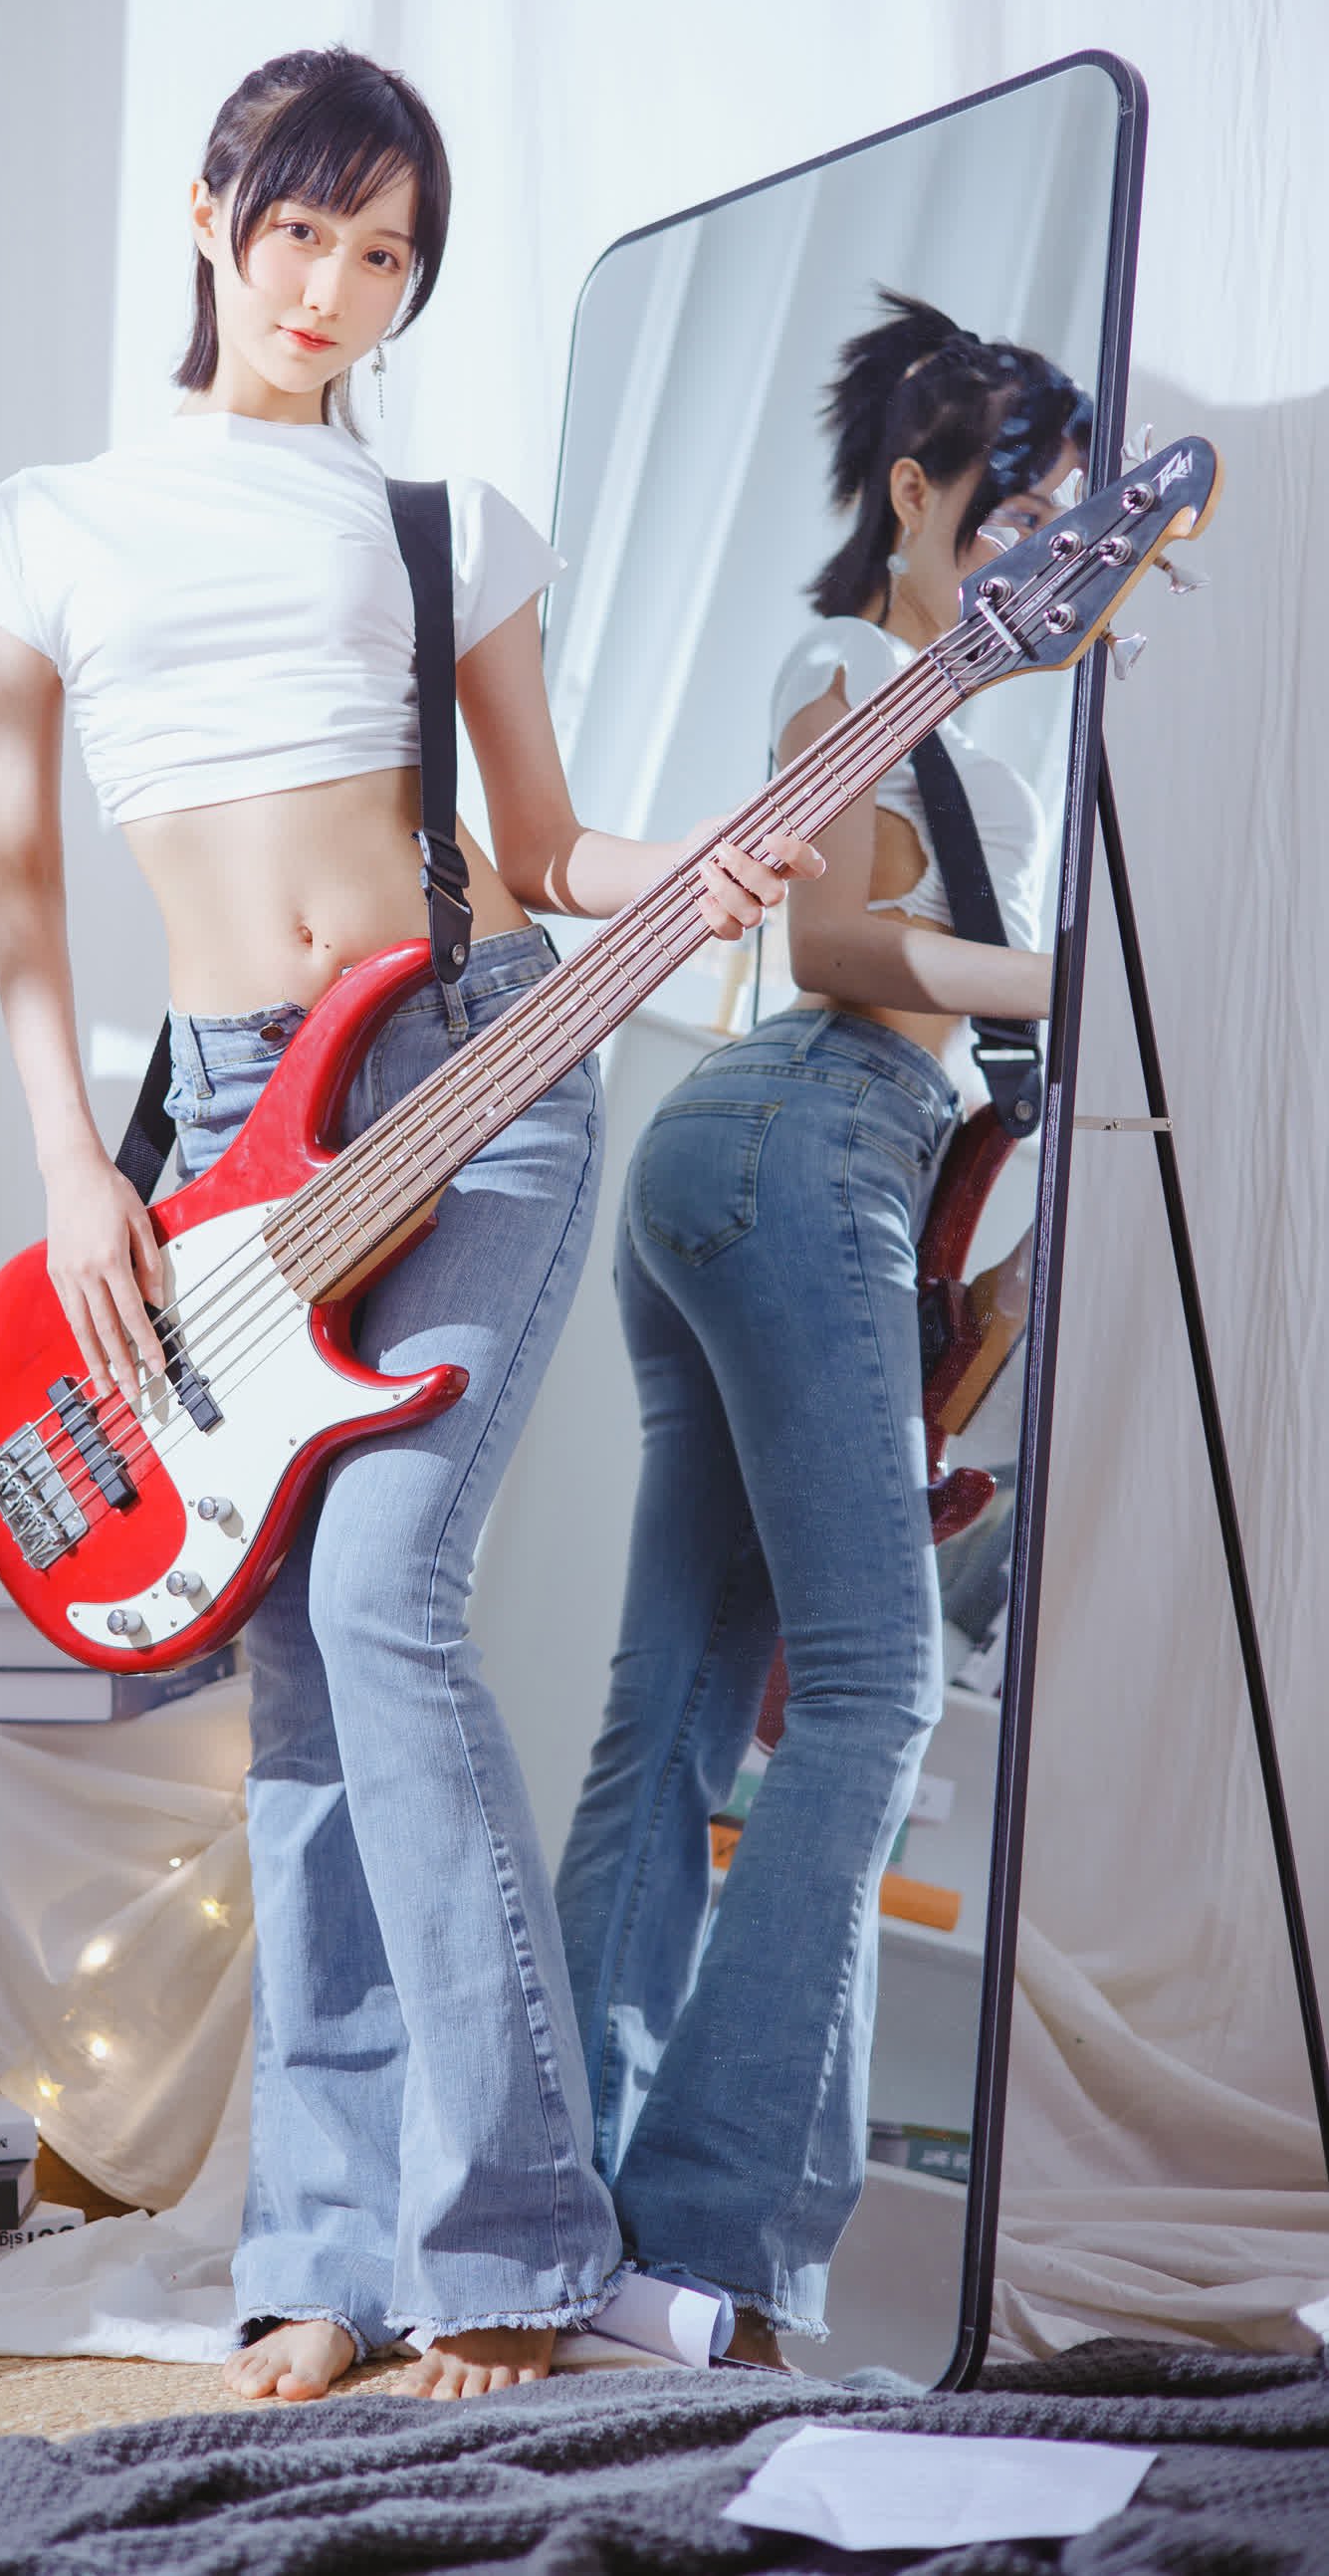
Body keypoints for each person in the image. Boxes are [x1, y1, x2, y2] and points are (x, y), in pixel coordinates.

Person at [0, 46, 820, 2403]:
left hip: (477, 1072)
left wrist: (695, 863)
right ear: (211, 212)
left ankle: (508, 2238)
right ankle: (321, 2250)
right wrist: (75, 1171)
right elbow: (18, 900)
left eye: (387, 253)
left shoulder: (442, 525)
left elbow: (543, 849)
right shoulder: (43, 530)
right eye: (303, 230)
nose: (335, 287)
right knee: (303, 1683)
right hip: (228, 1128)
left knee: (375, 1595)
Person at [555, 292, 1092, 2368]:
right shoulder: (861, 674)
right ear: (909, 489)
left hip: (778, 1153)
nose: (1040, 558)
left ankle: (574, 2233)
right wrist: (1063, 980)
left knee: (679, 1707)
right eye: (1010, 515)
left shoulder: (970, 722)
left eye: (1061, 526)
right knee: (867, 1696)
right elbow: (836, 939)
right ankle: (707, 2250)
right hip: (810, 1130)